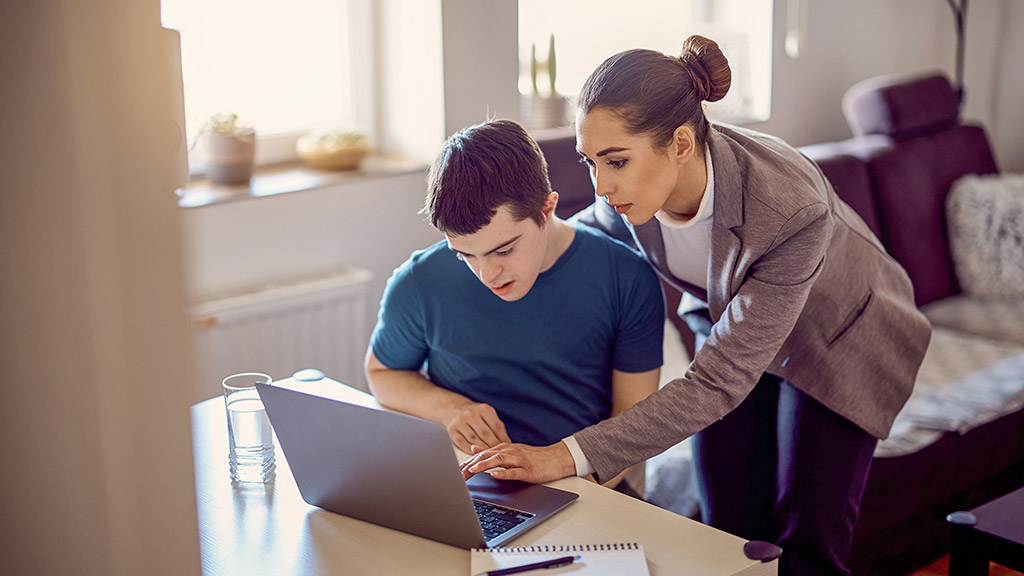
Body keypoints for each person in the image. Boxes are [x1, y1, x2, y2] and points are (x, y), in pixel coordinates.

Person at [460, 37, 932, 576]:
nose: (601, 185)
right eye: (590, 162)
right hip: (734, 324)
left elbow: (717, 382)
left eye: (615, 162)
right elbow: (572, 241)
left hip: (841, 336)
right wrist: (483, 249)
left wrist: (566, 456)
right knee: (721, 530)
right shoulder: (627, 194)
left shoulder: (790, 208)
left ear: (681, 143)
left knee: (806, 546)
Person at [365, 119, 665, 495]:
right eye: (464, 256)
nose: (487, 274)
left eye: (503, 250)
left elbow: (635, 426)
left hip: (581, 485)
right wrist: (448, 409)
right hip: (462, 483)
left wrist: (578, 488)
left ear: (547, 208)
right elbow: (382, 373)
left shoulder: (627, 278)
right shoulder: (419, 281)